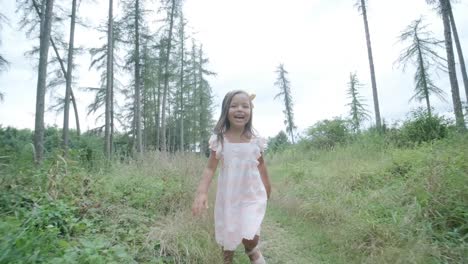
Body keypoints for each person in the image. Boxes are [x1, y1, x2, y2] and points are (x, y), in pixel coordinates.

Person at [192, 90, 272, 264]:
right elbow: (209, 169)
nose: (240, 109)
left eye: (245, 106)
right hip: (229, 197)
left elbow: (262, 166)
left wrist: (267, 189)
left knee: (251, 236)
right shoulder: (220, 141)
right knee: (228, 238)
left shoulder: (255, 141)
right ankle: (227, 258)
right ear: (225, 110)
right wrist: (201, 193)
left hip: (252, 195)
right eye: (234, 105)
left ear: (250, 112)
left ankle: (252, 251)